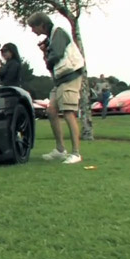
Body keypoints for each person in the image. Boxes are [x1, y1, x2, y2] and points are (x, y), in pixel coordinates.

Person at [27, 12, 85, 164]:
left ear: (42, 25)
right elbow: (51, 62)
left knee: (68, 113)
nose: (32, 30)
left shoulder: (58, 33)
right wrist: (46, 52)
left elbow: (56, 55)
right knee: (51, 111)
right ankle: (60, 150)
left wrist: (47, 53)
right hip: (60, 80)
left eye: (33, 27)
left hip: (70, 77)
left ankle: (76, 153)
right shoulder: (51, 36)